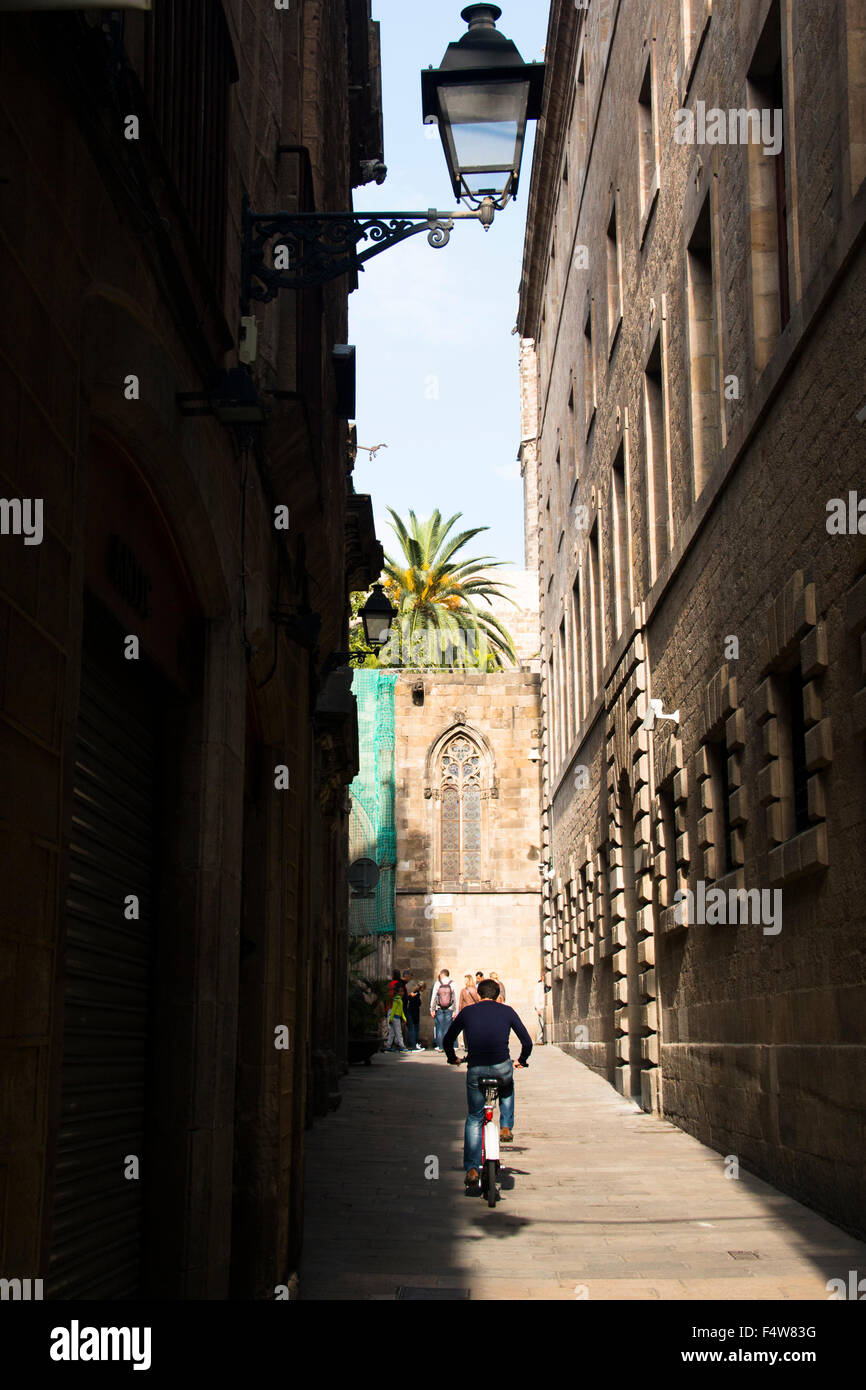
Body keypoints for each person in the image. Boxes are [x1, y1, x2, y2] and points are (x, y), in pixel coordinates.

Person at [443, 979, 532, 1188]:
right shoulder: (507, 1011)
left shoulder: (468, 1012)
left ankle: (472, 1168)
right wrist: (522, 1060)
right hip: (502, 1066)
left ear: (478, 994)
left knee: (474, 1117)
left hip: (476, 1069)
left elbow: (448, 1040)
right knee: (507, 1086)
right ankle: (506, 1126)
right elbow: (527, 1041)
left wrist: (452, 1058)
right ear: (497, 994)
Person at [430, 969, 456, 1051]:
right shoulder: (453, 983)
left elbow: (433, 997)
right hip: (450, 1008)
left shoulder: (438, 983)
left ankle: (441, 1047)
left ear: (442, 974)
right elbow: (456, 997)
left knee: (439, 1028)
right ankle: (447, 1046)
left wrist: (432, 1009)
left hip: (439, 1008)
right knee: (448, 1028)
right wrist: (456, 1010)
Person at [406, 979, 423, 1050]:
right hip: (414, 1013)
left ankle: (411, 1043)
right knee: (414, 1029)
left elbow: (409, 999)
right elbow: (418, 1003)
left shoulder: (412, 993)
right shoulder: (417, 994)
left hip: (410, 1012)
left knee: (411, 1028)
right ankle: (414, 1043)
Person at [534, 976, 550, 1044]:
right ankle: (539, 1039)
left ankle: (541, 1039)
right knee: (541, 1023)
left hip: (545, 1006)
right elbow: (536, 997)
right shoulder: (539, 986)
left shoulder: (546, 986)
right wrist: (538, 1008)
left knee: (542, 1023)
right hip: (540, 1007)